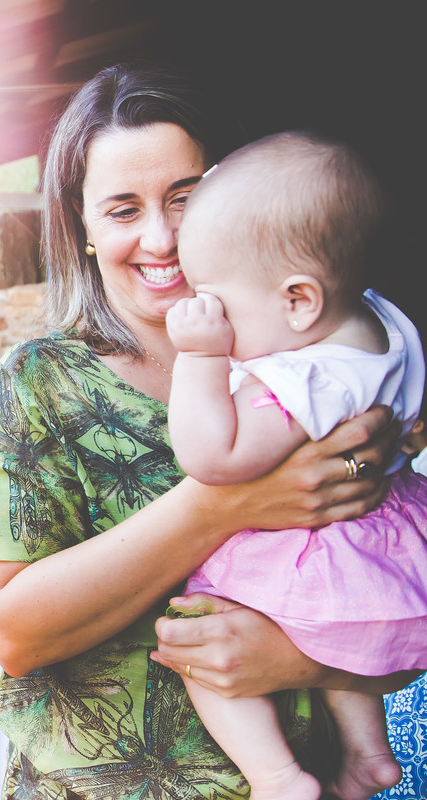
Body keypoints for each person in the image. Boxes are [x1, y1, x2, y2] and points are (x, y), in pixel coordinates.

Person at [0, 62, 408, 799]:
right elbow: (16, 633)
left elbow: (400, 608)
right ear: (83, 229)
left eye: (184, 197)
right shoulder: (37, 384)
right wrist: (222, 506)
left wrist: (301, 661)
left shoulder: (309, 354)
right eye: (123, 209)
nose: (163, 238)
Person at [166, 131, 426, 800]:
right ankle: (369, 752)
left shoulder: (300, 378)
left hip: (323, 550)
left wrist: (199, 357)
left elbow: (212, 457)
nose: (207, 313)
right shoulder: (381, 326)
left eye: (218, 301)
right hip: (388, 546)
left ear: (299, 301)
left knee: (202, 641)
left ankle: (276, 778)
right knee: (341, 648)